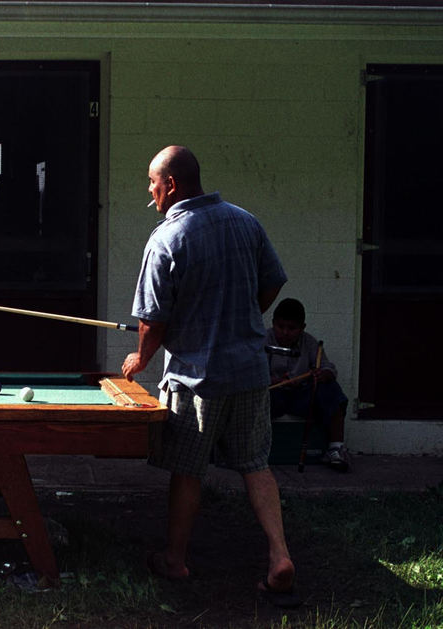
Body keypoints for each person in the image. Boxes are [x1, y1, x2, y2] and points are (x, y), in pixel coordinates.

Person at [121, 146, 301, 608]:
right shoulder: (244, 221)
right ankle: (279, 555)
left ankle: (175, 560)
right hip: (249, 370)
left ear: (172, 185)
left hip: (197, 379)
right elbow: (273, 282)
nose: (150, 191)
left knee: (187, 469)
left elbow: (153, 322)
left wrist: (139, 359)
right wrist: (242, 317)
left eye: (152, 183)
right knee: (256, 464)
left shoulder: (167, 239)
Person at [267, 298, 350, 471]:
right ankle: (250, 450)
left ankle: (335, 449)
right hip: (272, 395)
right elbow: (249, 373)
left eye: (292, 328)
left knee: (332, 390)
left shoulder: (310, 342)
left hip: (301, 396)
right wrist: (271, 381)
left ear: (302, 328)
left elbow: (329, 369)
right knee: (251, 395)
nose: (285, 333)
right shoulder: (262, 340)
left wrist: (322, 375)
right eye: (280, 326)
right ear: (273, 323)